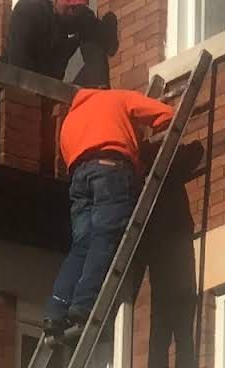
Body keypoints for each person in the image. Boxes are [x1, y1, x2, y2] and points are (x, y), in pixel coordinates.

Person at [43, 87, 176, 338]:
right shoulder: (116, 98)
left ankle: (56, 310)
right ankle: (83, 304)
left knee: (82, 244)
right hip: (111, 170)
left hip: (80, 181)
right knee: (105, 236)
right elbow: (166, 113)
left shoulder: (70, 119)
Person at [1, 0, 117, 82]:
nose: (72, 11)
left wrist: (105, 22)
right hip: (10, 91)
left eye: (77, 7)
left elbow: (107, 42)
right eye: (69, 4)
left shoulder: (75, 21)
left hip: (45, 91)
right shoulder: (29, 10)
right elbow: (18, 66)